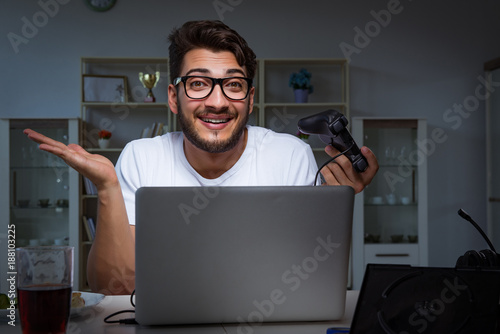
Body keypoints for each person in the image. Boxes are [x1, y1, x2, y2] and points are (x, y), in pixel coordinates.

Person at [24, 20, 379, 295]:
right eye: (198, 83)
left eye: (234, 84)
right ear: (173, 98)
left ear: (250, 99)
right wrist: (106, 189)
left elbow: (308, 282)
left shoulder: (291, 155)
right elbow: (114, 289)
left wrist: (335, 204)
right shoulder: (141, 157)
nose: (218, 101)